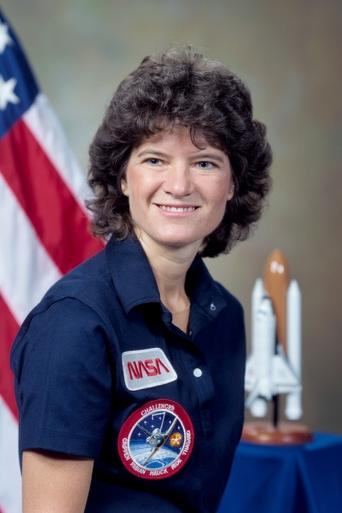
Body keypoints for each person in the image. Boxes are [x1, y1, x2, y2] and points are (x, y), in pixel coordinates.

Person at [11, 47, 272, 513]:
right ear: (123, 178)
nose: (179, 184)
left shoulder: (225, 317)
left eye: (205, 162)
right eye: (155, 160)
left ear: (233, 184)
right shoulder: (74, 324)